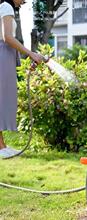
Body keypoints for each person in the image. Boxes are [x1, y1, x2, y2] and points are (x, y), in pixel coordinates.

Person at [0, 0, 45, 157]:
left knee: (2, 99)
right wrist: (31, 53)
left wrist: (28, 58)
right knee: (2, 99)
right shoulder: (6, 7)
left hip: (6, 55)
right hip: (3, 55)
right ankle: (1, 148)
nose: (24, 2)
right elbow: (7, 37)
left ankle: (2, 146)